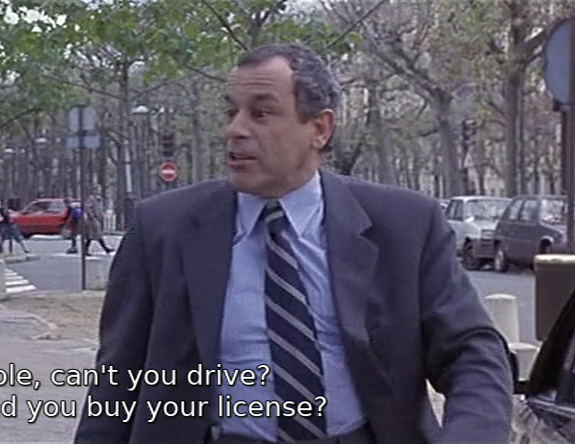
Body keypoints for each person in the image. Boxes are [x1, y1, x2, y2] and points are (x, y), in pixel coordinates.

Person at [75, 44, 512, 444]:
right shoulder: (162, 229)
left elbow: (472, 352)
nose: (235, 130)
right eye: (231, 112)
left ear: (319, 128)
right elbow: (117, 380)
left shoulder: (405, 225)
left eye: (261, 113)